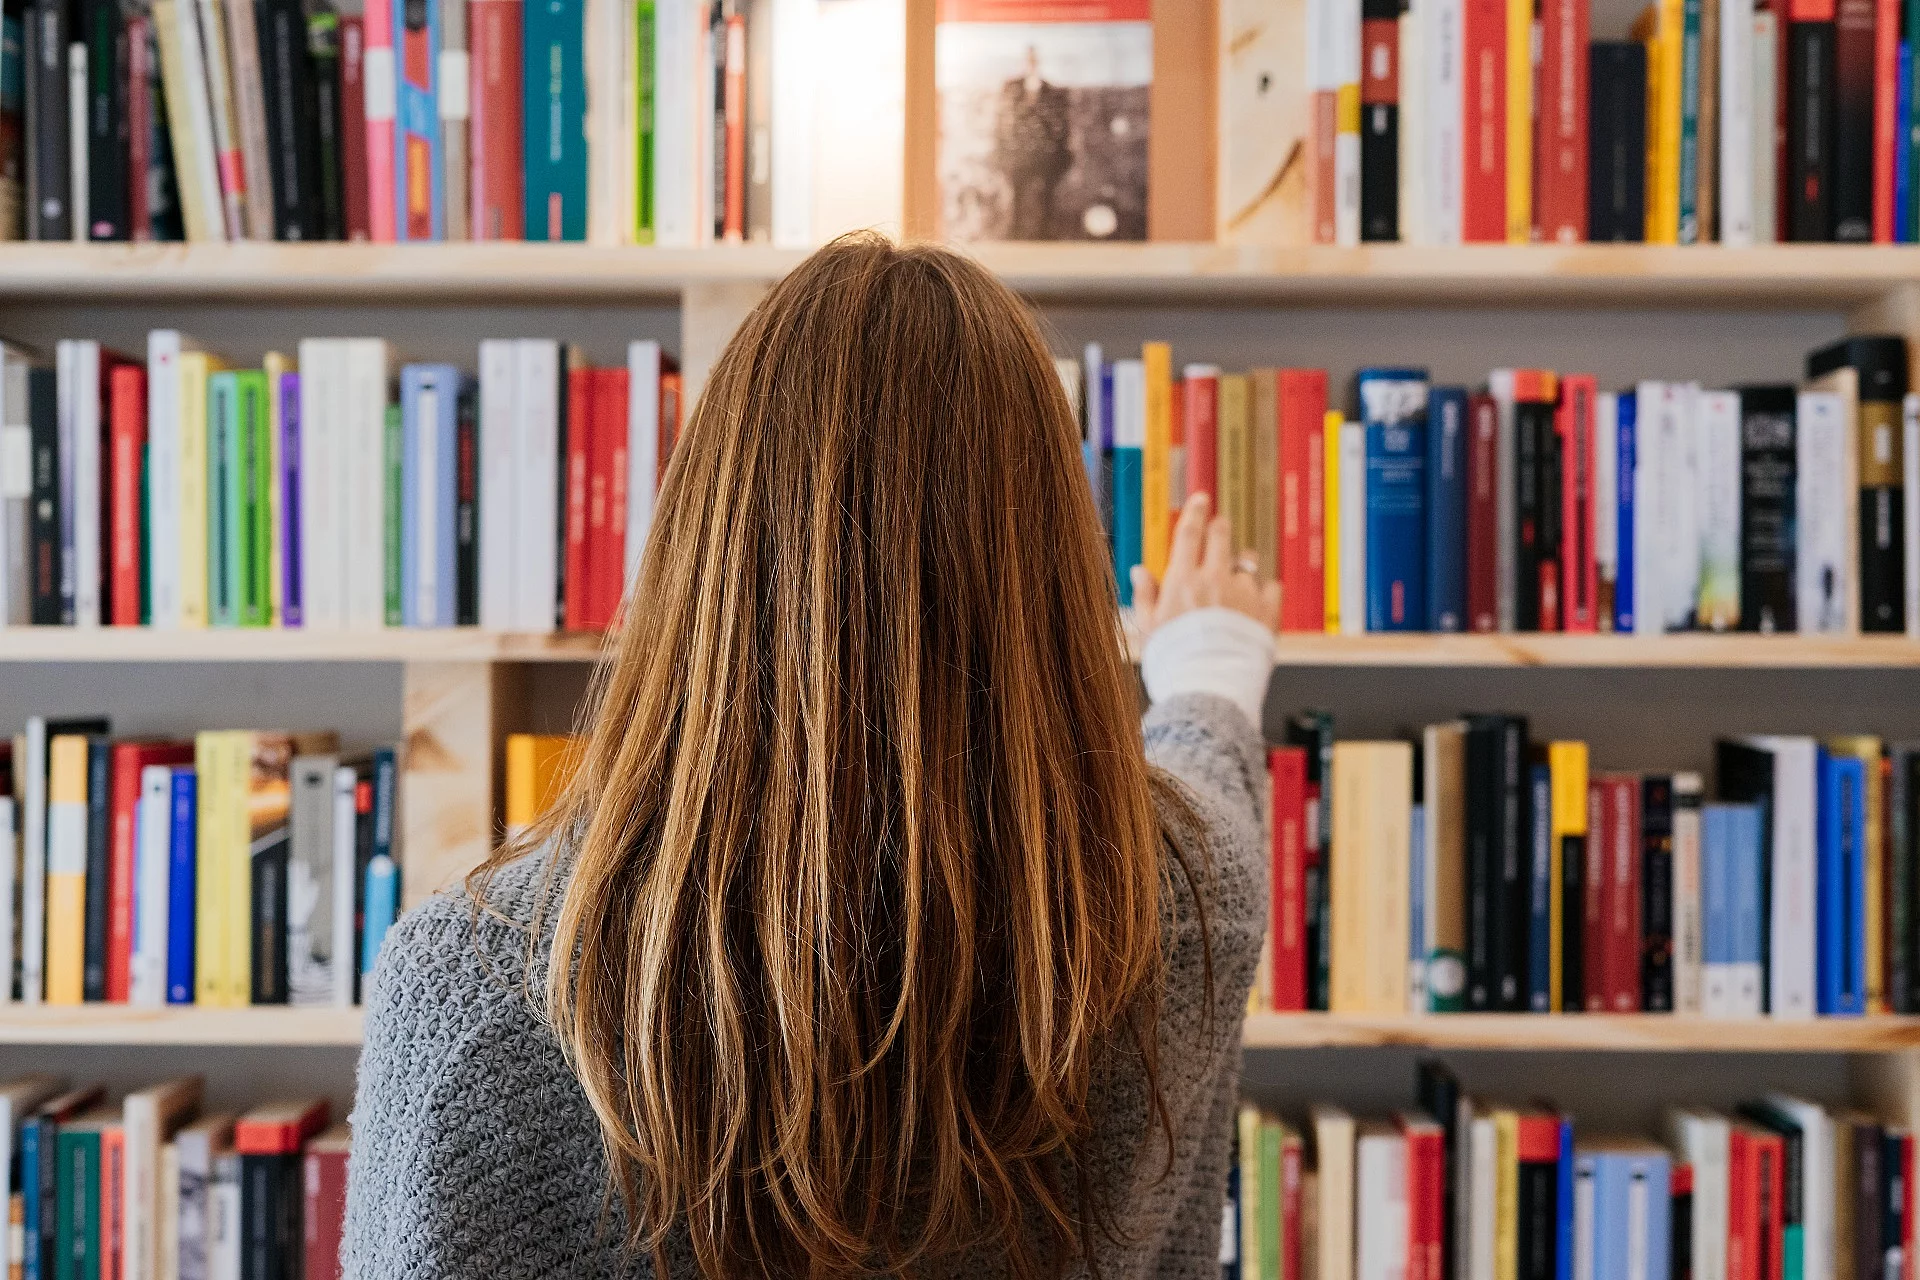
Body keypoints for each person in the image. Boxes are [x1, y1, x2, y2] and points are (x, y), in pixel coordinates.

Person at [344, 236, 1278, 1279]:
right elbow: (1210, 780)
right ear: (1053, 570)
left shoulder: (480, 991)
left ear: (705, 547)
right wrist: (1212, 655)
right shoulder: (1182, 917)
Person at [995, 46, 1072, 239]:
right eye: (1027, 59)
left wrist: (1052, 148)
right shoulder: (1012, 88)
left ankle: (1045, 233)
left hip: (1044, 156)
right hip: (1018, 156)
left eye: (1033, 59)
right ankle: (1015, 232)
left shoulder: (1050, 90)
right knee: (1017, 197)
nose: (1030, 63)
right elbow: (1003, 121)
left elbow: (1059, 124)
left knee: (1046, 199)